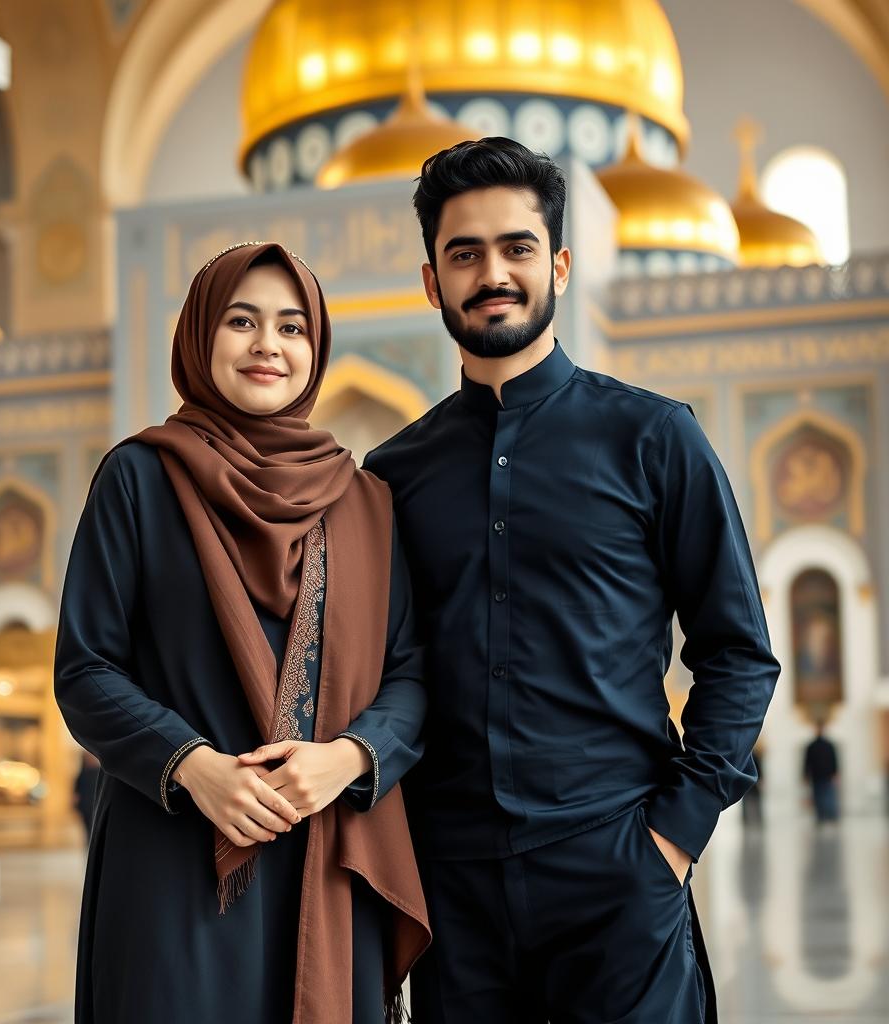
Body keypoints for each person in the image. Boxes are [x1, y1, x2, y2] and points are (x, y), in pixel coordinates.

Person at [363, 138, 780, 1024]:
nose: (492, 274)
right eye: (463, 253)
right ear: (432, 283)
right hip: (457, 893)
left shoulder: (654, 438)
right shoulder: (392, 475)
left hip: (619, 866)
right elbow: (383, 674)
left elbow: (738, 652)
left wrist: (673, 836)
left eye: (516, 248)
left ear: (556, 263)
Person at [54, 241, 429, 1024]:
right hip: (175, 859)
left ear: (317, 348)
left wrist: (350, 758)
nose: (269, 345)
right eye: (242, 321)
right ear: (199, 336)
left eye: (293, 328)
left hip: (325, 860)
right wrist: (192, 766)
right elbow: (86, 668)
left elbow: (411, 676)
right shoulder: (141, 478)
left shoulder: (365, 501)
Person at [803, 721, 839, 822]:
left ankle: (830, 816)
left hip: (827, 776)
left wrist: (835, 774)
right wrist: (805, 776)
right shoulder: (811, 746)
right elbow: (807, 762)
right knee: (818, 797)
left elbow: (834, 760)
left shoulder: (829, 745)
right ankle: (821, 816)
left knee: (828, 797)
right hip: (816, 776)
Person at [72, 750, 100, 841]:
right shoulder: (82, 774)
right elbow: (76, 793)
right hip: (85, 806)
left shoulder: (99, 773)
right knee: (88, 829)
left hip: (96, 805)